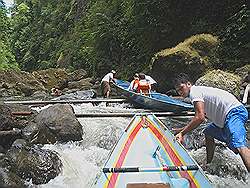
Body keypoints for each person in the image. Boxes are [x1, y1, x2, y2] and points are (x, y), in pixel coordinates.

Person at [173, 73, 250, 172]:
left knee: (239, 146)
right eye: (178, 91)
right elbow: (201, 117)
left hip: (234, 112)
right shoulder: (198, 92)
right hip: (224, 119)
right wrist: (181, 129)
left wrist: (182, 133)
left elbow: (199, 117)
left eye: (181, 88)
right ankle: (209, 163)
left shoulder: (194, 92)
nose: (180, 92)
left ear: (188, 84)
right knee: (208, 132)